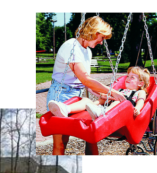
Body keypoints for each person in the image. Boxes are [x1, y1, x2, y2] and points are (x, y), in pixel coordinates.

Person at [46, 16, 126, 155]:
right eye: (102, 38)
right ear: (95, 32)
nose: (102, 42)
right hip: (60, 95)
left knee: (91, 135)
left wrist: (102, 94)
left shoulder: (87, 51)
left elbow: (86, 84)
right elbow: (86, 80)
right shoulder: (71, 46)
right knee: (61, 142)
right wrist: (113, 91)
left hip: (76, 96)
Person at [48, 66, 149, 122]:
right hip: (105, 109)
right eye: (128, 76)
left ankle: (102, 113)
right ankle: (65, 109)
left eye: (132, 77)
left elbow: (141, 101)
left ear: (140, 83)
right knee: (86, 100)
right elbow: (103, 97)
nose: (128, 78)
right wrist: (91, 96)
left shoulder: (140, 92)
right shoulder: (120, 90)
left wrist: (138, 109)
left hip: (123, 114)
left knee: (120, 101)